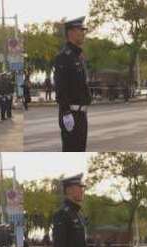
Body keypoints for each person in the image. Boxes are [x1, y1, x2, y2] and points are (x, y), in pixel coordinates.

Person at [54, 17, 91, 152]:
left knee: (80, 150)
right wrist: (66, 112)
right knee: (71, 150)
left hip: (81, 114)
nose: (83, 33)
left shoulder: (78, 56)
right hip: (71, 114)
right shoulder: (64, 56)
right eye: (80, 30)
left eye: (83, 30)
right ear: (71, 33)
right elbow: (60, 87)